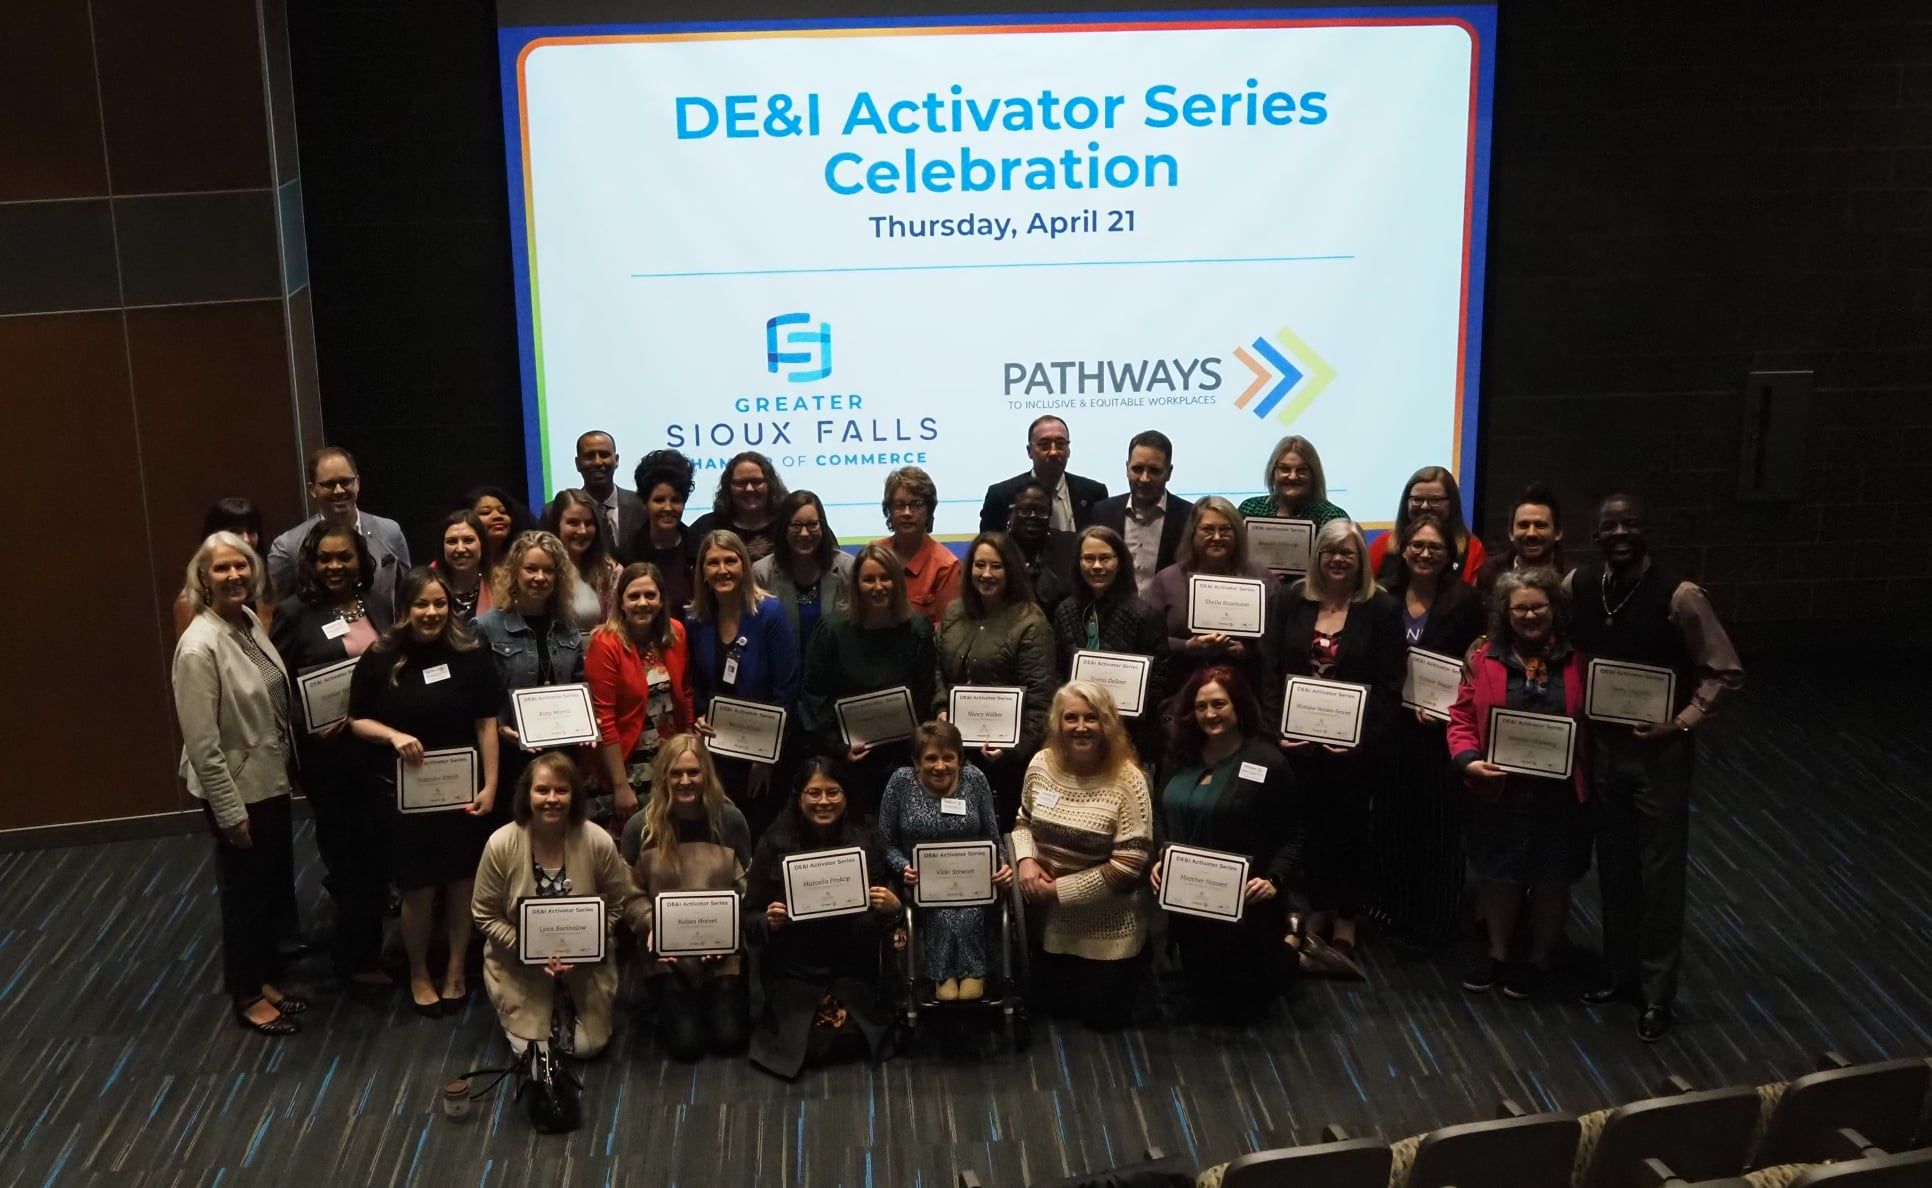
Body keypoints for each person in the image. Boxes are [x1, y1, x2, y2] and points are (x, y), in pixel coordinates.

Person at [1568, 493, 1743, 1041]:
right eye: (1610, 525)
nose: (1620, 533)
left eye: (1630, 524)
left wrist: (1683, 722)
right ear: (1596, 534)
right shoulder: (1580, 584)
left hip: (1660, 756)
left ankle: (1657, 994)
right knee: (1614, 867)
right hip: (1603, 750)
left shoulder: (1680, 595)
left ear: (1646, 530)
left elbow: (1724, 670)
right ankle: (1620, 975)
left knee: (1660, 877)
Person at [349, 567, 503, 1015]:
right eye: (422, 604)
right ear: (405, 608)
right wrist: (393, 736)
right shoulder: (381, 656)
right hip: (407, 797)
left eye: (439, 603)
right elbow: (357, 720)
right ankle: (418, 972)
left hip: (462, 791)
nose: (432, 612)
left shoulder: (471, 653)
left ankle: (455, 969)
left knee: (461, 883)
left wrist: (491, 785)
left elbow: (486, 723)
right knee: (417, 889)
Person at [172, 532, 305, 1036]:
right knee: (243, 897)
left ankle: (262, 976)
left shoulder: (246, 620)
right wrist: (230, 811)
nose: (234, 575)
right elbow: (202, 744)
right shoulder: (197, 646)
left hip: (267, 780)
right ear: (203, 578)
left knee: (266, 889)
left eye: (241, 566)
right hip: (237, 790)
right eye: (222, 568)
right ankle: (246, 995)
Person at [1448, 568, 1591, 1003]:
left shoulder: (1581, 659)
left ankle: (1539, 960)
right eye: (1520, 609)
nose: (1530, 615)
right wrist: (1468, 760)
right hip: (1500, 789)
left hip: (1561, 793)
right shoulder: (1484, 657)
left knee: (1553, 878)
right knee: (1499, 875)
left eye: (1538, 606)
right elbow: (1461, 717)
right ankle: (1498, 954)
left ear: (1554, 609)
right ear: (1505, 614)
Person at [1273, 518, 1404, 979]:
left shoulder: (1381, 608)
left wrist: (1359, 740)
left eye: (1347, 552)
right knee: (1307, 832)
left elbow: (1390, 685)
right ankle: (1314, 910)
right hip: (1297, 745)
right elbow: (1272, 668)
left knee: (1350, 833)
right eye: (1329, 551)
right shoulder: (1293, 599)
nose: (1338, 559)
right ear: (1317, 556)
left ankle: (1347, 918)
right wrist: (1276, 730)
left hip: (1354, 752)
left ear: (1361, 559)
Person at [269, 520, 395, 988]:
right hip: (331, 759)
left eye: (344, 557)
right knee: (348, 859)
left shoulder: (376, 604)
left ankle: (369, 951)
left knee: (378, 853)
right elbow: (279, 686)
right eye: (325, 558)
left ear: (359, 560)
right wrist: (307, 726)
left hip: (377, 751)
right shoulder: (294, 612)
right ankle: (354, 961)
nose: (335, 566)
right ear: (311, 563)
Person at [472, 751, 648, 1061]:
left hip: (585, 971)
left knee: (588, 1048)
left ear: (574, 795)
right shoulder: (500, 843)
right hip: (520, 970)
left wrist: (587, 946)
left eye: (561, 790)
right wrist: (527, 949)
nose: (551, 799)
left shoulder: (598, 841)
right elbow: (484, 914)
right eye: (542, 790)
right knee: (535, 1054)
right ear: (527, 794)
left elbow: (617, 903)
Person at [1152, 666, 1302, 1023]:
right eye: (1201, 706)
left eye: (1219, 704)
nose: (1210, 714)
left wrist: (1274, 880)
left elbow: (1293, 833)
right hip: (1188, 899)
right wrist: (1160, 856)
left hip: (1247, 908)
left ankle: (1293, 944)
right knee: (1199, 998)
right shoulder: (1177, 755)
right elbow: (1158, 813)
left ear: (1239, 706)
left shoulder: (1267, 762)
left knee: (1242, 1010)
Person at [744, 757, 903, 1080]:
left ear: (846, 795)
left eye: (833, 792)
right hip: (794, 970)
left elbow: (885, 919)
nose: (824, 802)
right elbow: (749, 916)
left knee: (849, 1041)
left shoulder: (867, 836)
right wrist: (768, 921)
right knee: (813, 1047)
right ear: (798, 796)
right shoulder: (774, 841)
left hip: (852, 968)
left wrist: (893, 907)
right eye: (814, 793)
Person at [1012, 682, 1154, 1031]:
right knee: (1049, 1013)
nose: (1080, 727)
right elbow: (1022, 822)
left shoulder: (1129, 780)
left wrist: (1056, 891)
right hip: (1049, 926)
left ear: (1107, 723)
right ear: (1057, 723)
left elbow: (1128, 868)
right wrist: (1026, 861)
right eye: (1070, 718)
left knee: (1103, 1022)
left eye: (1091, 718)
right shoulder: (1041, 764)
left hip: (1108, 929)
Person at [1375, 515, 1486, 948]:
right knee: (1393, 822)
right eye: (1417, 545)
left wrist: (1447, 709)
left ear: (1450, 555)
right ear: (1403, 550)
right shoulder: (1384, 595)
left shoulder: (1466, 601)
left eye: (1434, 547)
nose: (1424, 553)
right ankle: (1396, 909)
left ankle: (1437, 920)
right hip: (1392, 728)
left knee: (1439, 830)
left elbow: (1476, 667)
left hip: (1442, 734)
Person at [627, 734, 752, 1060]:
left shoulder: (731, 821)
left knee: (730, 1038)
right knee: (687, 1045)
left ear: (706, 774)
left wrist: (724, 933)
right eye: (676, 773)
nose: (685, 781)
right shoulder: (639, 828)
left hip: (722, 949)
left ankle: (713, 994)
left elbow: (746, 891)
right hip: (664, 953)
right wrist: (651, 925)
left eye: (693, 772)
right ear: (663, 777)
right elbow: (629, 896)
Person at [800, 543, 942, 814]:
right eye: (868, 579)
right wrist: (839, 747)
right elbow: (814, 696)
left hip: (904, 758)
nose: (878, 586)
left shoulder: (917, 629)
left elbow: (925, 694)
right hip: (849, 759)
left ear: (897, 581)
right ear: (856, 584)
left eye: (885, 578)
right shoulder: (831, 631)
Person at [877, 721, 1012, 1002]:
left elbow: (993, 835)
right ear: (916, 761)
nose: (940, 766)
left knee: (972, 906)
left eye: (948, 757)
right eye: (931, 758)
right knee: (941, 910)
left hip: (972, 878)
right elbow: (885, 843)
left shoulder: (974, 779)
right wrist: (903, 867)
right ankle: (943, 974)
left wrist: (1001, 865)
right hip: (921, 881)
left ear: (959, 759)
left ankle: (974, 973)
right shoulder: (900, 783)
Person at [937, 532, 1057, 826]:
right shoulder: (954, 612)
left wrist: (1014, 748)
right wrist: (940, 708)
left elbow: (1040, 698)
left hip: (1005, 761)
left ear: (1011, 570)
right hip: (955, 750)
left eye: (996, 566)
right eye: (980, 565)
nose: (986, 574)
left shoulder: (1030, 622)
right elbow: (938, 669)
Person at [688, 529, 799, 837]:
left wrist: (766, 756)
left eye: (730, 561)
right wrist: (698, 717)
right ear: (702, 571)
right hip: (716, 751)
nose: (722, 570)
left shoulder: (769, 613)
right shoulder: (696, 620)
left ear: (744, 565)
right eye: (713, 563)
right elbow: (696, 685)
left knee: (759, 831)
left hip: (764, 755)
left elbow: (786, 691)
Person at [474, 531, 585, 814]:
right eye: (531, 569)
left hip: (563, 752)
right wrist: (500, 726)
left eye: (549, 570)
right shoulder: (487, 627)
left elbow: (578, 680)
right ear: (515, 571)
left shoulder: (568, 624)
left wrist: (586, 722)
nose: (540, 577)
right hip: (511, 753)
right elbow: (480, 695)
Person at [1142, 497, 1275, 710]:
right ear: (1192, 533)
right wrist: (1187, 646)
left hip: (1246, 694)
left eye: (1225, 530)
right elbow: (1146, 640)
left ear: (1238, 534)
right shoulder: (1167, 580)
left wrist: (1248, 651)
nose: (1217, 537)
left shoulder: (1261, 578)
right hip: (1179, 692)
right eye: (1207, 529)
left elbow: (1279, 643)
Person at [589, 562, 694, 829]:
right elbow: (604, 719)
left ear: (661, 600)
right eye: (634, 596)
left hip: (669, 760)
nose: (643, 603)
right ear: (621, 602)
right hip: (627, 763)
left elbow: (685, 693)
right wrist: (620, 784)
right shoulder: (605, 642)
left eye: (650, 595)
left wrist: (690, 749)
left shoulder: (676, 633)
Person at [1050, 526, 1169, 755]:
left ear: (1119, 561)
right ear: (1078, 563)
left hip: (1129, 735)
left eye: (1105, 558)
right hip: (1076, 732)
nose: (1096, 566)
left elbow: (1159, 681)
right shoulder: (1064, 611)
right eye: (1088, 558)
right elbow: (1057, 672)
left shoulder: (1145, 614)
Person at [267, 447, 410, 612]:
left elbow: (408, 594)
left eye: (345, 482)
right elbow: (274, 610)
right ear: (312, 489)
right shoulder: (287, 547)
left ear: (357, 483)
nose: (339, 490)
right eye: (329, 484)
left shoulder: (390, 532)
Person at [753, 489, 853, 659]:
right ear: (784, 528)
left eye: (812, 525)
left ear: (822, 527)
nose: (804, 533)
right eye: (796, 525)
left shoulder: (848, 568)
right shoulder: (762, 573)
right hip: (783, 671)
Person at [1090, 430, 1196, 592]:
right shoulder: (1103, 512)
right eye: (1137, 469)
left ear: (1169, 472)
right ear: (1127, 468)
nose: (1144, 478)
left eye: (1154, 470)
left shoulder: (1189, 516)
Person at [978, 415, 1109, 533]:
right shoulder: (1001, 496)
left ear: (1068, 450)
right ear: (1029, 451)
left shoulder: (1094, 493)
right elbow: (988, 546)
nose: (1053, 452)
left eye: (1060, 444)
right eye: (1044, 445)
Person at [1366, 465, 1487, 585]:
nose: (1424, 506)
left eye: (1435, 500)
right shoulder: (1385, 544)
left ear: (1452, 503)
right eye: (1417, 499)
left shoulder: (1472, 549)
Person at [875, 465, 959, 629]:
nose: (907, 513)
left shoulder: (946, 566)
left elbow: (947, 632)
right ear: (889, 511)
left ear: (929, 511)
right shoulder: (874, 554)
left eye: (916, 504)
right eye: (899, 505)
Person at [173, 498, 270, 636]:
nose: (246, 539)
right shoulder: (189, 601)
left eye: (251, 531)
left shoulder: (264, 586)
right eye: (235, 531)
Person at [625, 450, 699, 620]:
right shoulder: (626, 553)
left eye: (675, 500)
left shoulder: (699, 550)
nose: (668, 508)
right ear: (645, 503)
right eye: (659, 500)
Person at [1472, 482, 1567, 604]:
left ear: (1558, 532)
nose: (1531, 533)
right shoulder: (1489, 574)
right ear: (1510, 532)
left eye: (1540, 525)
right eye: (1523, 525)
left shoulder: (1571, 579)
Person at [544, 488, 623, 631]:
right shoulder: (541, 569)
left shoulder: (611, 571)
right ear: (557, 525)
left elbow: (619, 627)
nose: (582, 531)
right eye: (573, 523)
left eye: (588, 523)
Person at [691, 450, 787, 563]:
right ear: (728, 487)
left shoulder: (787, 525)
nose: (749, 489)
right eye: (741, 483)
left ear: (770, 484)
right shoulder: (706, 527)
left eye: (757, 482)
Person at [1236, 434, 1349, 529]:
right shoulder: (1250, 508)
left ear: (1314, 474)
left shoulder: (1332, 518)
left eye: (1301, 469)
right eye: (1284, 469)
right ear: (1272, 471)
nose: (1292, 476)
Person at [573, 430, 645, 563]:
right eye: (589, 456)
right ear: (578, 463)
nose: (597, 462)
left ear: (616, 460)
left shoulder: (642, 505)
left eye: (604, 455)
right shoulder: (557, 512)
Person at [1005, 479, 1077, 613]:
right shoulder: (998, 548)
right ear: (1012, 512)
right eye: (1025, 510)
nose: (1033, 516)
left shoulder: (1069, 546)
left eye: (1041, 511)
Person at [467, 485, 536, 593]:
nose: (498, 516)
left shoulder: (525, 562)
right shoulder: (456, 567)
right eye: (486, 512)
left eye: (503, 512)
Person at [432, 509, 493, 623]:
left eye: (468, 540)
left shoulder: (499, 587)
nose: (460, 549)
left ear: (482, 544)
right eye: (452, 541)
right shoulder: (425, 587)